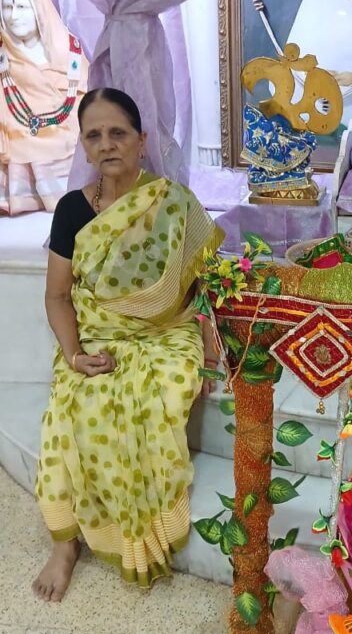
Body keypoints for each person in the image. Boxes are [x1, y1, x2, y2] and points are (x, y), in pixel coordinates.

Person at [32, 88, 223, 601]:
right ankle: (67, 543)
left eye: (118, 132)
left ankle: (147, 528)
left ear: (141, 139)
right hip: (96, 334)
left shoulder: (173, 202)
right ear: (83, 146)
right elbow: (57, 296)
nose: (107, 144)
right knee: (75, 406)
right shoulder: (72, 210)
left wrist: (209, 352)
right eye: (94, 135)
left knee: (158, 396)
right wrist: (74, 355)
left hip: (166, 333)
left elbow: (207, 285)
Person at [0, 0, 89, 215]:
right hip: (16, 134)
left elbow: (84, 94)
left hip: (67, 129)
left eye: (21, 6)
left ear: (38, 7)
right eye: (7, 7)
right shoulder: (2, 54)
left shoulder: (69, 49)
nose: (13, 16)